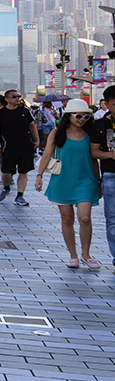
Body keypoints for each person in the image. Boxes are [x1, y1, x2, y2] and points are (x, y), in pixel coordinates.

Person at [36, 100, 103, 270]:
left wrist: (98, 181)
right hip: (63, 180)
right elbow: (46, 156)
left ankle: (86, 254)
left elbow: (93, 159)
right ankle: (73, 255)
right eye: (78, 116)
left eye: (86, 116)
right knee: (67, 219)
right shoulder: (57, 133)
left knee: (85, 217)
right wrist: (39, 176)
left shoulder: (90, 134)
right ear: (69, 116)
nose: (82, 119)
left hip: (86, 180)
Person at [0, 89, 40, 208]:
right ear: (6, 99)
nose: (17, 98)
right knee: (6, 172)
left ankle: (20, 195)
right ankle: (6, 187)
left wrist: (37, 139)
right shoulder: (1, 113)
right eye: (14, 96)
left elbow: (32, 125)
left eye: (18, 96)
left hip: (25, 146)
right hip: (9, 146)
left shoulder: (24, 111)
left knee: (23, 171)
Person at [89, 85, 115, 262]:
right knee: (112, 218)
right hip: (110, 175)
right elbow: (93, 152)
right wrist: (110, 154)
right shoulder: (100, 124)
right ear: (107, 104)